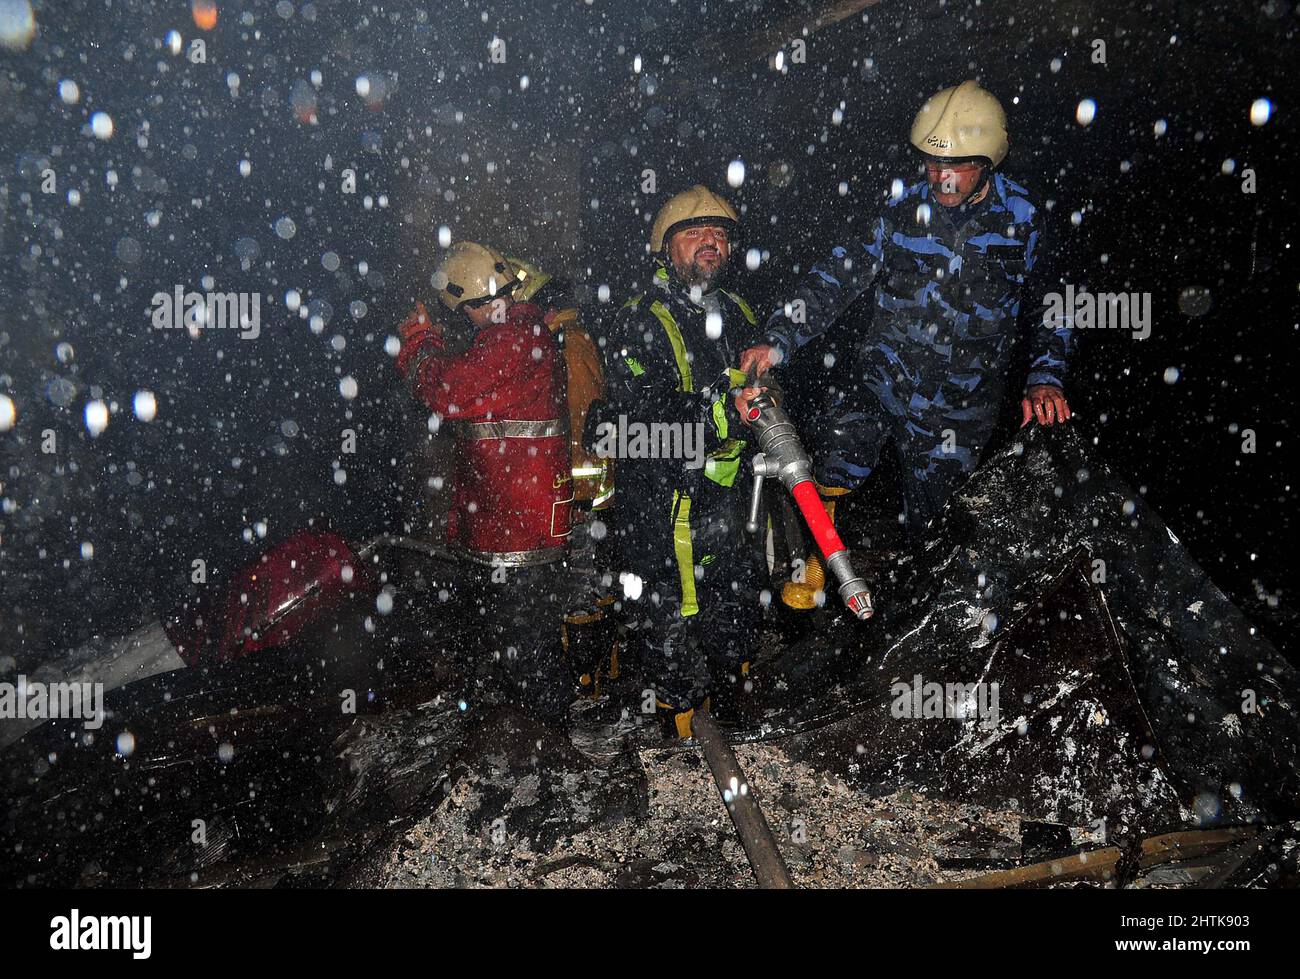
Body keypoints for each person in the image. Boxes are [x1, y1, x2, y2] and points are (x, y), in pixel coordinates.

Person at [739, 80, 1074, 604]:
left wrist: (1045, 377)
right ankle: (817, 556)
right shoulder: (899, 209)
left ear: (988, 163)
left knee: (938, 527)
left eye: (957, 165)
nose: (940, 175)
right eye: (931, 163)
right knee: (837, 451)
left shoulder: (1025, 218)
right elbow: (836, 278)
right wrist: (778, 340)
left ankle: (934, 612)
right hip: (885, 377)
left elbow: (1057, 301)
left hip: (961, 404)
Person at [587, 186, 765, 737]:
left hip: (733, 504)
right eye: (694, 233)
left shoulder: (738, 313)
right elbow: (641, 423)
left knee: (734, 617)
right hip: (663, 507)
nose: (711, 243)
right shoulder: (639, 319)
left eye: (719, 235)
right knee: (666, 632)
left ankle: (737, 721)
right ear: (665, 249)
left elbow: (772, 395)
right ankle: (676, 733)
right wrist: (722, 414)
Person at [394, 241, 574, 723]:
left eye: (461, 311)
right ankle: (517, 731)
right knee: (507, 639)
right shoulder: (509, 333)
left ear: (471, 300)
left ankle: (547, 741)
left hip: (520, 526)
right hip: (505, 520)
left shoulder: (512, 336)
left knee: (526, 646)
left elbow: (447, 391)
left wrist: (419, 343)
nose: (463, 321)